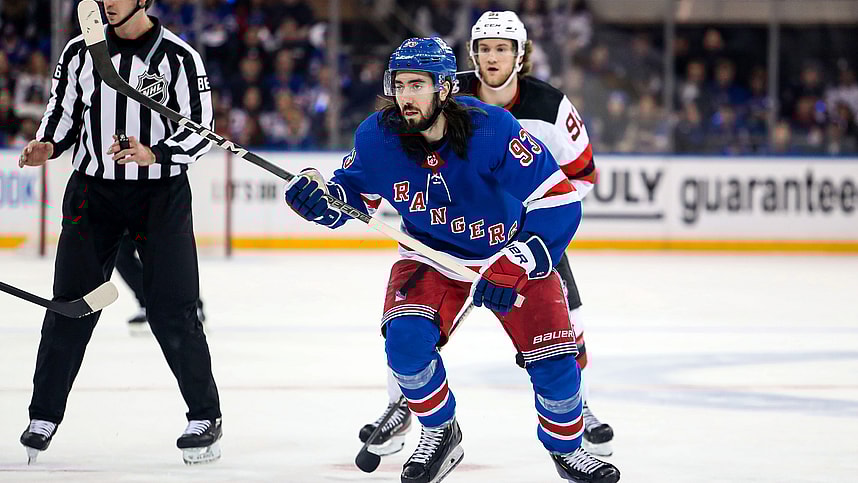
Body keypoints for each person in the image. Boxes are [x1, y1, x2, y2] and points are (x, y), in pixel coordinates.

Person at [284, 37, 620, 483]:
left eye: (418, 85)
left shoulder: (493, 129)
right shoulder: (377, 136)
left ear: (444, 88)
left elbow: (559, 200)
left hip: (508, 252)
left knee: (557, 360)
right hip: (431, 255)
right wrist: (321, 197)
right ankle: (441, 431)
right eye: (399, 84)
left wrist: (522, 258)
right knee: (404, 344)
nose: (406, 96)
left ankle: (567, 448)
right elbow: (350, 193)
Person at [359, 11, 616, 459]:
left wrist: (530, 233)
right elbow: (369, 177)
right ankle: (403, 404)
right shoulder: (436, 93)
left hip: (521, 231)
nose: (491, 56)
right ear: (469, 57)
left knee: (566, 325)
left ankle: (578, 407)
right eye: (483, 48)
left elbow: (578, 177)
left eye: (502, 48)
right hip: (440, 242)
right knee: (407, 334)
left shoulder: (549, 107)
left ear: (521, 56)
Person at [17, 0, 222, 465]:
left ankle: (205, 416)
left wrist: (158, 153)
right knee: (70, 306)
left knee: (173, 310)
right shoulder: (78, 53)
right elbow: (62, 116)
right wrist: (45, 144)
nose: (107, 2)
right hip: (94, 196)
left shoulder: (180, 57)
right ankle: (43, 415)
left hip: (161, 196)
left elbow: (201, 128)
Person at [115, 231, 207, 334]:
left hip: (158, 219)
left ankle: (190, 307)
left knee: (168, 253)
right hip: (130, 219)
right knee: (121, 252)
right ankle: (147, 304)